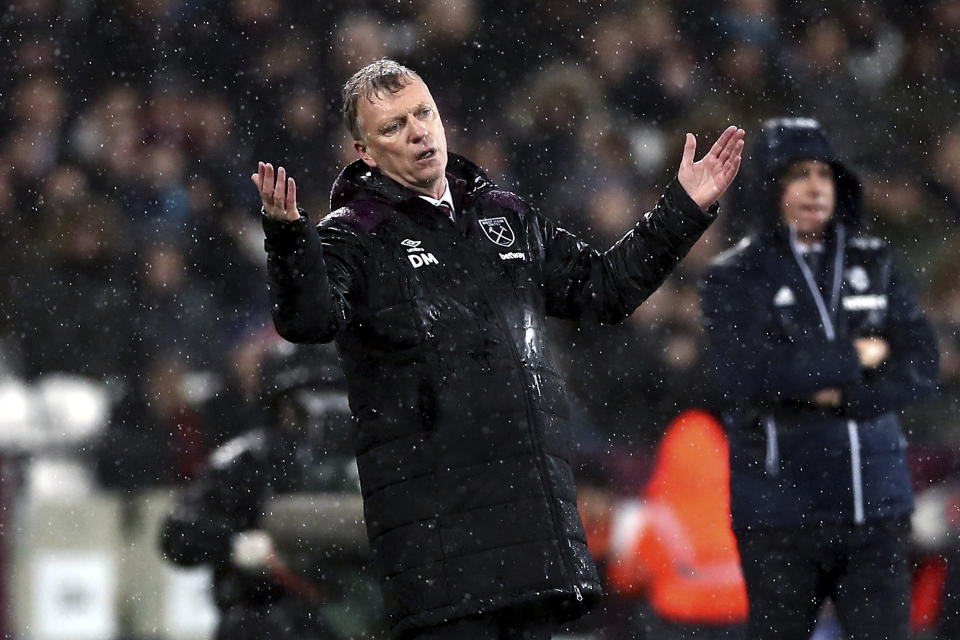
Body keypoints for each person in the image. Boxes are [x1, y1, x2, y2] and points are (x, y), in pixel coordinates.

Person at [252, 58, 744, 639]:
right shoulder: (350, 236)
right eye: (393, 126)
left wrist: (682, 209)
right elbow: (308, 320)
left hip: (532, 540)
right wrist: (288, 239)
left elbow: (605, 290)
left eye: (423, 113)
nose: (417, 131)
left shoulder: (505, 218)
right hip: (437, 545)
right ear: (363, 150)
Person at [699, 117, 940, 640]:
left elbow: (921, 363)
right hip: (780, 514)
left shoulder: (875, 261)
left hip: (876, 509)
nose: (815, 187)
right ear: (769, 187)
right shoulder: (733, 275)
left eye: (824, 175)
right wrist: (856, 354)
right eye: (798, 174)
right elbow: (743, 374)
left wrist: (836, 394)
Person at [159, 342, 380, 640]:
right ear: (278, 406)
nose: (325, 419)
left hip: (362, 615)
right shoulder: (248, 461)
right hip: (268, 613)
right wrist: (234, 544)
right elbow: (178, 533)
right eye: (304, 407)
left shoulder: (376, 459)